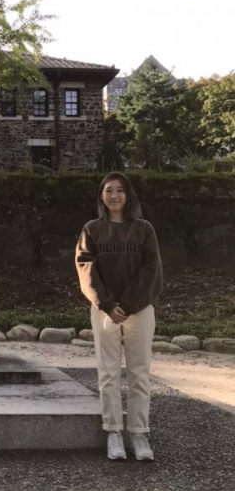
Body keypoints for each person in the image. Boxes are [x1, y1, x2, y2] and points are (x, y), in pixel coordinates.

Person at [75, 172, 163, 462]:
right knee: (108, 373)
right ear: (101, 196)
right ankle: (113, 432)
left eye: (120, 190)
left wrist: (127, 304)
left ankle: (138, 433)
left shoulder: (144, 229)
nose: (114, 195)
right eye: (109, 190)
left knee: (139, 373)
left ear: (129, 196)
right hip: (105, 311)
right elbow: (86, 269)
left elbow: (151, 270)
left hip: (139, 310)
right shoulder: (91, 229)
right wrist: (108, 304)